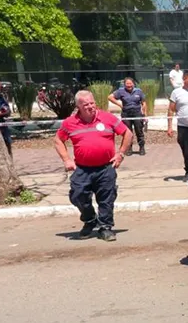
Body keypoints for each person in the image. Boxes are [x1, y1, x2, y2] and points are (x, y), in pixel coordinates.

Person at [54, 91, 132, 241]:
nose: (90, 106)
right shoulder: (70, 123)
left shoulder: (107, 117)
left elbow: (127, 133)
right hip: (82, 169)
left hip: (105, 168)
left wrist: (120, 154)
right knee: (77, 195)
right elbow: (58, 140)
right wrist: (66, 160)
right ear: (78, 106)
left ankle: (105, 227)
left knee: (106, 199)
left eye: (92, 103)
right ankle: (90, 220)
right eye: (86, 104)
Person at [108, 77, 147, 156]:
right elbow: (110, 97)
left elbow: (144, 103)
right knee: (127, 132)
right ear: (124, 84)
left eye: (130, 83)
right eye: (127, 84)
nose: (129, 85)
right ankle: (129, 148)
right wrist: (119, 104)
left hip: (137, 113)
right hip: (126, 114)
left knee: (139, 131)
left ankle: (142, 147)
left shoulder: (138, 91)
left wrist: (144, 114)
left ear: (133, 84)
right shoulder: (121, 91)